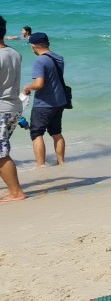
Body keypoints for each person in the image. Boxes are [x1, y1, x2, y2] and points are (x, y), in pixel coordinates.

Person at [22, 32, 67, 166]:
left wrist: (27, 87)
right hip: (59, 102)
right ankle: (61, 162)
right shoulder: (59, 58)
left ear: (33, 46)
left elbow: (39, 84)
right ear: (48, 43)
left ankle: (41, 166)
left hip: (44, 104)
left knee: (36, 134)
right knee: (56, 133)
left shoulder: (40, 61)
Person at [0, 16, 27, 202]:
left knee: (1, 153)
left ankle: (16, 192)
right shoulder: (14, 53)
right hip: (13, 106)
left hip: (1, 108)